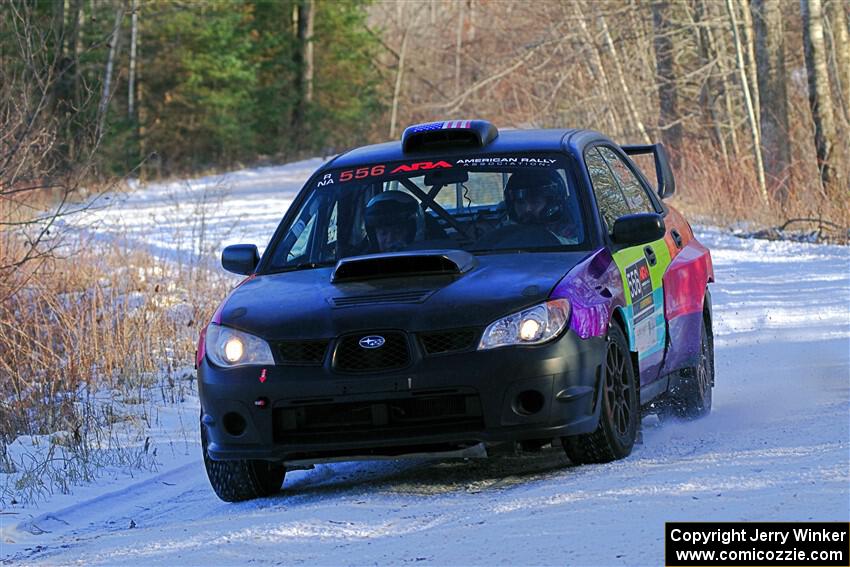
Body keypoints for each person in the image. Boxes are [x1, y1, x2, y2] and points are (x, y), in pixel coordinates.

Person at [503, 169, 578, 242]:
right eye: (520, 202)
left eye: (535, 202)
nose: (527, 209)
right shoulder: (505, 230)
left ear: (551, 205)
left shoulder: (569, 230)